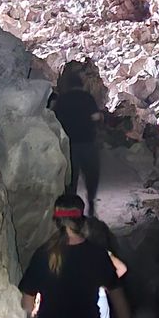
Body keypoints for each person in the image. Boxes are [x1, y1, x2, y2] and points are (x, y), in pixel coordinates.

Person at [50, 72, 102, 214]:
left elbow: (54, 119)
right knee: (91, 174)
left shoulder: (63, 99)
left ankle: (71, 208)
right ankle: (91, 201)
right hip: (87, 141)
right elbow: (96, 117)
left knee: (71, 177)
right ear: (81, 84)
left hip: (70, 144)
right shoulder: (87, 98)